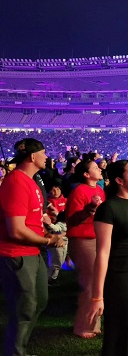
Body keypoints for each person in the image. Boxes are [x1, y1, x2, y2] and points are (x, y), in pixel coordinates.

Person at [0, 138, 65, 356]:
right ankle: (14, 351)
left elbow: (29, 222)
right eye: (44, 153)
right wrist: (48, 241)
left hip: (33, 252)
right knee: (24, 308)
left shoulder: (31, 181)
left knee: (39, 302)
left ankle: (19, 347)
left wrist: (45, 231)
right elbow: (16, 230)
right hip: (16, 254)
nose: (47, 157)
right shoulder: (17, 182)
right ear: (32, 156)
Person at [86, 160, 128, 356]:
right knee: (120, 332)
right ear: (119, 180)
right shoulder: (109, 208)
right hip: (121, 278)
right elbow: (103, 253)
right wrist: (98, 296)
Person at [65, 159, 105, 338]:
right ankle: (82, 326)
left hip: (96, 238)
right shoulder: (79, 191)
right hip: (82, 240)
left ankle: (93, 324)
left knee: (96, 282)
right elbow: (72, 220)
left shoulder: (98, 190)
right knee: (89, 282)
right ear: (86, 175)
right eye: (96, 168)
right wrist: (90, 208)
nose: (100, 169)